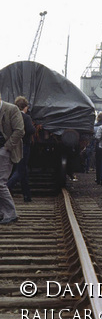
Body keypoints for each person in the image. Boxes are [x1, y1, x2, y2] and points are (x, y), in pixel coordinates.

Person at [0, 93, 25, 224]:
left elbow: (20, 130)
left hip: (5, 151)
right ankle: (3, 213)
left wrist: (7, 147)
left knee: (0, 183)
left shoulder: (11, 109)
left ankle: (11, 214)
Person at [7, 97, 34, 202]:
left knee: (23, 170)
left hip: (13, 145)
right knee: (20, 171)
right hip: (24, 147)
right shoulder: (26, 117)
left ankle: (27, 196)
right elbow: (31, 130)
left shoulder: (11, 116)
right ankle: (5, 190)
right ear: (25, 107)